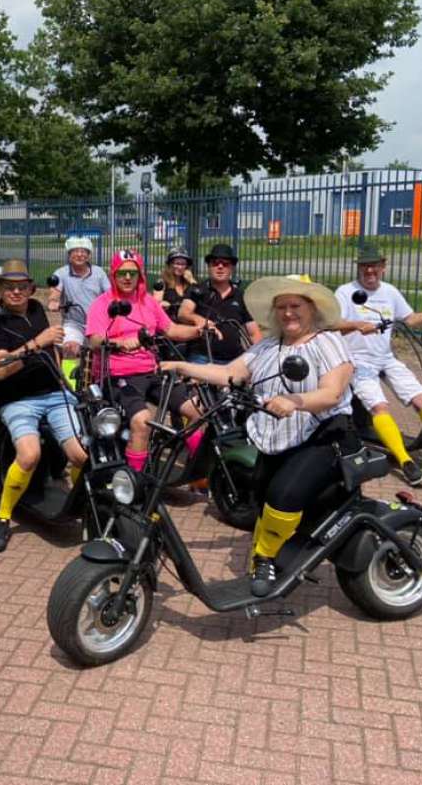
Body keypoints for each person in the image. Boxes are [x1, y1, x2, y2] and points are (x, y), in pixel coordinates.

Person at [162, 276, 355, 598]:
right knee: (261, 497)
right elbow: (230, 373)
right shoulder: (269, 345)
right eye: (281, 307)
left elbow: (332, 394)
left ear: (312, 309)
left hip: (323, 435)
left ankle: (265, 557)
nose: (288, 313)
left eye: (295, 306)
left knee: (282, 494)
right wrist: (183, 367)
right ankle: (276, 547)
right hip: (276, 437)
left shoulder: (327, 342)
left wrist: (295, 401)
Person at [0, 259, 89, 553]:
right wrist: (35, 345)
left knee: (82, 455)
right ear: (1, 290)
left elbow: (52, 350)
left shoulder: (37, 309)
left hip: (54, 394)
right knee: (29, 455)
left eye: (22, 287)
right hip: (18, 400)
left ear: (30, 288)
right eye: (9, 287)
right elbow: (0, 369)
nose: (16, 292)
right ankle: (3, 516)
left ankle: (86, 505)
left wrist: (62, 379)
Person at [86, 249, 205, 473]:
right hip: (118, 375)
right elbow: (94, 340)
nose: (128, 278)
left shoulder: (148, 302)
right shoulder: (103, 304)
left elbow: (171, 329)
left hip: (151, 371)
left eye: (133, 272)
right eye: (122, 273)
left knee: (197, 411)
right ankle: (135, 481)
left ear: (140, 274)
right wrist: (120, 342)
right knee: (142, 420)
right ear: (114, 275)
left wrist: (200, 330)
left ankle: (195, 473)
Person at [335, 244, 422, 486]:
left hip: (385, 357)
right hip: (357, 360)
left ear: (383, 267)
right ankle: (406, 461)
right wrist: (356, 325)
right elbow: (332, 323)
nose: (369, 270)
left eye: (374, 265)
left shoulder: (390, 292)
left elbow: (411, 319)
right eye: (364, 266)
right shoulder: (346, 292)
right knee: (380, 406)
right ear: (359, 268)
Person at [178, 243, 263, 363]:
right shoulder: (197, 290)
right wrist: (200, 320)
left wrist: (262, 357)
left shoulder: (240, 296)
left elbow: (254, 333)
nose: (220, 266)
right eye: (215, 263)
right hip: (202, 357)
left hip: (233, 360)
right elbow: (183, 313)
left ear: (232, 268)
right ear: (209, 266)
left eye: (225, 264)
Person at [48, 236, 110, 378]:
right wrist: (53, 301)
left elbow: (109, 295)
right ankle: (70, 385)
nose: (80, 254)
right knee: (70, 348)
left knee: (105, 350)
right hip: (74, 322)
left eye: (84, 251)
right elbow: (54, 292)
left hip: (98, 323)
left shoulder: (99, 273)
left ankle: (102, 381)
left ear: (89, 255)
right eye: (75, 251)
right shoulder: (61, 273)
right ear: (69, 254)